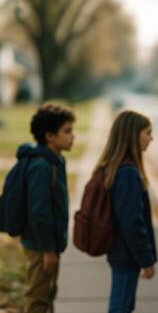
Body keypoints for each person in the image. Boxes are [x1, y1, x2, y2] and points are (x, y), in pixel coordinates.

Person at [93, 110, 157, 313]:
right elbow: (132, 221)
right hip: (127, 252)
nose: (151, 138)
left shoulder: (117, 167)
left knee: (122, 305)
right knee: (121, 306)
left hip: (121, 250)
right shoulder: (128, 173)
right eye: (148, 133)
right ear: (133, 135)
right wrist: (145, 259)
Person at [22, 102, 75, 313]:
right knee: (38, 298)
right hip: (40, 245)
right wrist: (48, 250)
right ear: (49, 136)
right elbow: (39, 213)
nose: (73, 136)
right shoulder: (41, 167)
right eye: (67, 131)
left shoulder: (55, 161)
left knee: (48, 293)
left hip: (49, 243)